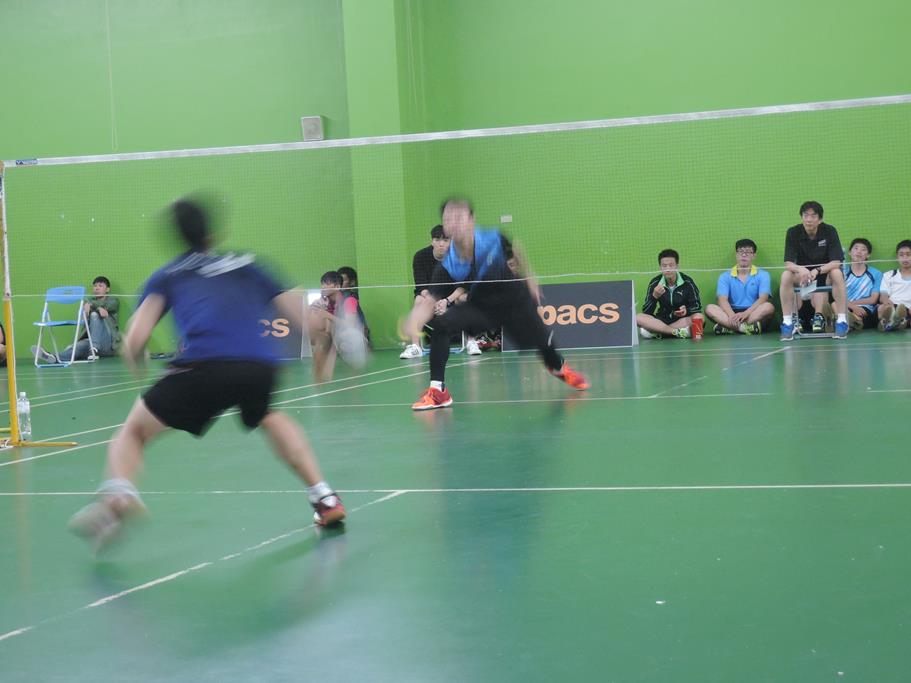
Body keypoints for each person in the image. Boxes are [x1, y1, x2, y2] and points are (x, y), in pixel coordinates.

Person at [68, 198, 346, 552]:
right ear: (214, 234)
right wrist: (326, 347)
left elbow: (134, 340)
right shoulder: (248, 263)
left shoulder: (168, 274)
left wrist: (137, 366)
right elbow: (302, 318)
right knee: (268, 416)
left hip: (202, 366)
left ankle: (118, 496)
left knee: (132, 432)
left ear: (177, 237)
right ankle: (324, 497)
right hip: (259, 367)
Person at [405, 198, 589, 410]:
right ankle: (438, 391)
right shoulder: (449, 263)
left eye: (459, 217)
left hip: (515, 301)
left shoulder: (492, 238)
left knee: (543, 344)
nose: (454, 223)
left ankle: (558, 368)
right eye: (448, 219)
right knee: (441, 325)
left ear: (471, 220)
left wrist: (530, 278)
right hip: (482, 306)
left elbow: (515, 250)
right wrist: (414, 320)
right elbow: (430, 299)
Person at [400, 225, 481, 359]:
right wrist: (434, 302)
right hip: (431, 297)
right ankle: (415, 347)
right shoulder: (420, 256)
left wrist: (447, 301)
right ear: (432, 241)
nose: (441, 244)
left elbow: (465, 285)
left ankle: (471, 341)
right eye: (437, 240)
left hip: (453, 297)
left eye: (445, 240)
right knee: (419, 300)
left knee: (465, 298)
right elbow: (421, 286)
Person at [779, 201, 848, 340]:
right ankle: (787, 323)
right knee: (786, 275)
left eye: (813, 216)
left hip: (824, 274)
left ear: (820, 219)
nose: (809, 219)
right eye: (806, 215)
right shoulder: (793, 232)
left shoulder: (829, 231)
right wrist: (800, 269)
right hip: (802, 277)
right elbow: (788, 264)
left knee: (837, 272)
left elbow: (836, 262)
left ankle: (842, 321)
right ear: (801, 217)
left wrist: (817, 270)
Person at [32, 276, 120, 363]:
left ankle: (94, 349)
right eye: (95, 286)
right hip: (92, 342)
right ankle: (54, 357)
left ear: (107, 289)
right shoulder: (87, 302)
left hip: (108, 345)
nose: (97, 288)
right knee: (76, 348)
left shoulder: (113, 300)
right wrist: (90, 308)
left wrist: (92, 306)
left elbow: (109, 306)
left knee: (94, 315)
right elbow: (84, 317)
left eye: (100, 286)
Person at [309, 270, 370, 381]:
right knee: (318, 334)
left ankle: (353, 376)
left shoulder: (349, 300)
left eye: (327, 284)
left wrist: (327, 315)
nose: (323, 287)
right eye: (322, 284)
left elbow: (350, 324)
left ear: (337, 287)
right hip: (338, 336)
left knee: (347, 334)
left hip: (356, 338)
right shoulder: (326, 302)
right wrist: (314, 310)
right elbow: (324, 328)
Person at [705, 239, 775, 335]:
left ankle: (730, 328)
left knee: (768, 307)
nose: (744, 255)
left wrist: (746, 313)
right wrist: (732, 316)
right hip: (731, 312)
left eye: (748, 252)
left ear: (754, 255)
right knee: (709, 308)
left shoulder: (763, 275)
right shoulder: (725, 276)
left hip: (753, 312)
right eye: (741, 251)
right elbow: (722, 300)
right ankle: (744, 328)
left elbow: (763, 298)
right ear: (736, 254)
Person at [636, 249, 704, 339]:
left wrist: (686, 311)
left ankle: (659, 332)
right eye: (664, 266)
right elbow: (647, 312)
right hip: (662, 320)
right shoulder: (655, 283)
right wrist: (654, 296)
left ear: (677, 266)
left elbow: (697, 307)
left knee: (699, 317)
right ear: (660, 267)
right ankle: (676, 332)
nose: (668, 269)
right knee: (638, 317)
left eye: (671, 265)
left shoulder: (688, 282)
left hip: (681, 320)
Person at [843, 238, 882, 330]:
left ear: (868, 255)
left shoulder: (876, 274)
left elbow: (873, 300)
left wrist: (852, 305)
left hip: (864, 308)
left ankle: (854, 321)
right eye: (856, 248)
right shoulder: (842, 273)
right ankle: (849, 321)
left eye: (863, 249)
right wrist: (851, 306)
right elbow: (837, 296)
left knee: (860, 312)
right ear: (849, 252)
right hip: (846, 306)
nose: (859, 252)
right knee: (835, 304)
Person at [877, 239, 911, 332]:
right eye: (901, 255)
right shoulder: (889, 274)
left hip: (908, 309)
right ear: (897, 257)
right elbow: (883, 295)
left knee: (902, 312)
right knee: (881, 308)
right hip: (892, 306)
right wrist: (886, 302)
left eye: (908, 254)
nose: (905, 258)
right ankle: (896, 321)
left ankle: (890, 322)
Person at [336, 266, 370, 343]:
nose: (340, 283)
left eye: (343, 280)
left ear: (352, 282)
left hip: (357, 334)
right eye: (338, 280)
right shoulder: (337, 298)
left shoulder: (350, 298)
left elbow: (351, 324)